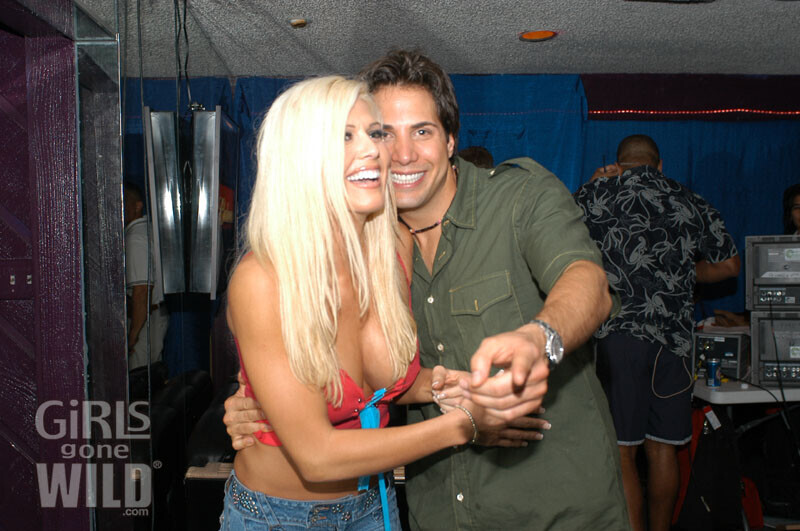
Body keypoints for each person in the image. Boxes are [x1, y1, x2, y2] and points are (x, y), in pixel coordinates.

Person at [225, 51, 629, 531]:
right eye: (378, 133)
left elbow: (587, 282)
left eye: (420, 131)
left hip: (552, 508)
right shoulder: (360, 249)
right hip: (409, 510)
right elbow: (317, 410)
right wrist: (259, 403)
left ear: (451, 139)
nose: (396, 153)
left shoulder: (507, 201)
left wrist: (537, 339)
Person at [220, 75, 527, 531]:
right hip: (279, 517)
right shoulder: (263, 280)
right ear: (299, 157)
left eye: (373, 133)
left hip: (374, 506)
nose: (375, 150)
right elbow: (317, 457)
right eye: (345, 136)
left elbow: (385, 385)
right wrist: (464, 424)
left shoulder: (392, 247)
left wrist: (452, 386)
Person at [574, 134, 741, 531]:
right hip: (676, 345)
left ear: (618, 163)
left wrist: (592, 184)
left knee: (622, 452)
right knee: (664, 450)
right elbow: (729, 266)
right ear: (660, 164)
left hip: (619, 341)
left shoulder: (596, 195)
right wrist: (684, 274)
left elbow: (556, 246)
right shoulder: (689, 199)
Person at [124, 181, 169, 370]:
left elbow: (142, 291)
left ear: (138, 205)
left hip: (144, 319)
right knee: (150, 373)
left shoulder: (136, 237)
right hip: (152, 316)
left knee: (139, 376)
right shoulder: (148, 229)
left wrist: (132, 337)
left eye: (124, 201)